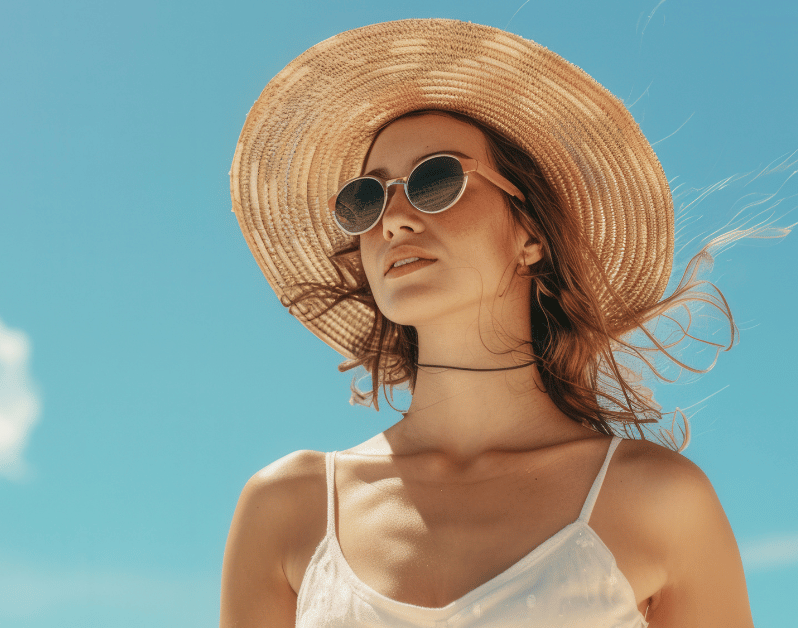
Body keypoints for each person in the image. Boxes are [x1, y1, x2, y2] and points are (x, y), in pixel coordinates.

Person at [222, 19, 754, 628]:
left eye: (436, 180)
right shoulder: (287, 507)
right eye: (366, 198)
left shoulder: (659, 500)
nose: (392, 220)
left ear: (530, 235)